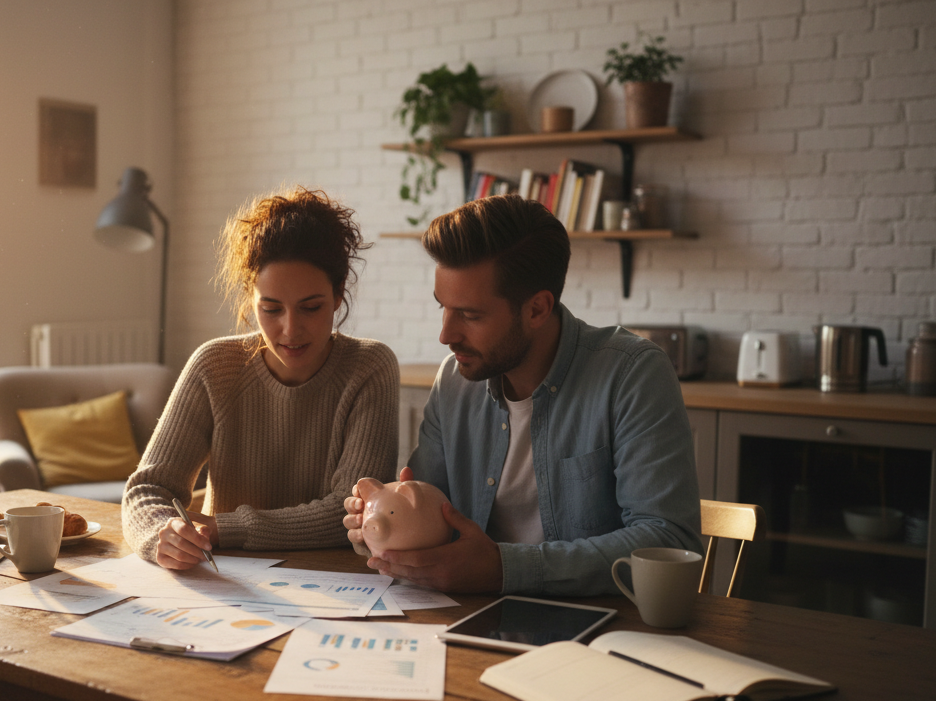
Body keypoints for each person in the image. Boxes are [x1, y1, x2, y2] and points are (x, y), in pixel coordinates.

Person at [343, 195, 701, 595]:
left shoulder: (631, 374)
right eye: (443, 308)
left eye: (471, 315)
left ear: (536, 310)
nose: (446, 335)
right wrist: (379, 527)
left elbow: (667, 540)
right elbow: (424, 515)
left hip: (601, 631)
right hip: (469, 617)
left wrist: (505, 569)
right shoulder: (455, 383)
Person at [123, 187, 399, 570]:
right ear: (250, 299)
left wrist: (225, 528)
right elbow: (147, 488)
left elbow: (354, 514)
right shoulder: (213, 365)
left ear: (338, 294)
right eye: (271, 308)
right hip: (222, 580)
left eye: (311, 307)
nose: (290, 329)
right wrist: (161, 534)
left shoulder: (370, 367)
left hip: (332, 580)